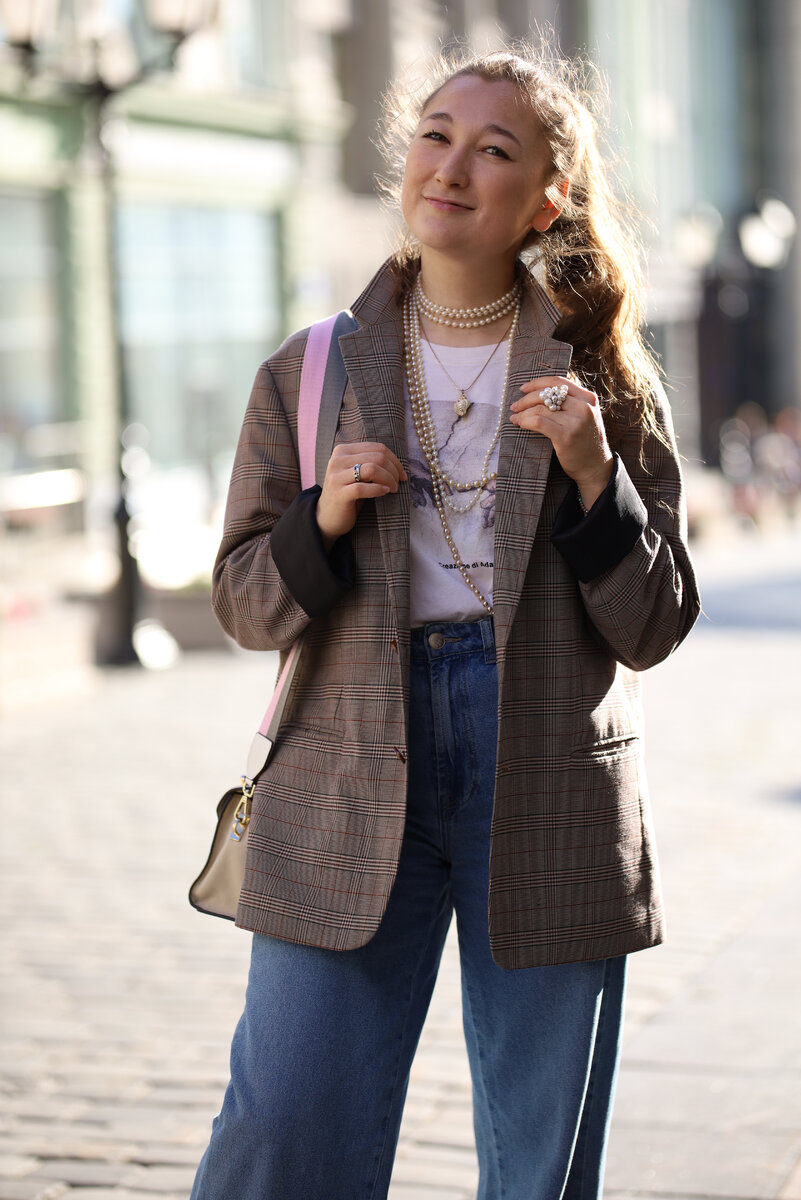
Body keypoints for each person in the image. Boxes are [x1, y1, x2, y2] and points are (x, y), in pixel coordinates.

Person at [191, 41, 700, 1200]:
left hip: (552, 768)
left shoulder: (605, 380)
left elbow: (655, 623)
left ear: (547, 200)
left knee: (538, 1160)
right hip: (344, 761)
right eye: (436, 136)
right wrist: (321, 520)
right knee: (285, 1122)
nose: (453, 167)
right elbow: (244, 603)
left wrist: (595, 477)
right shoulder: (311, 372)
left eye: (494, 149)